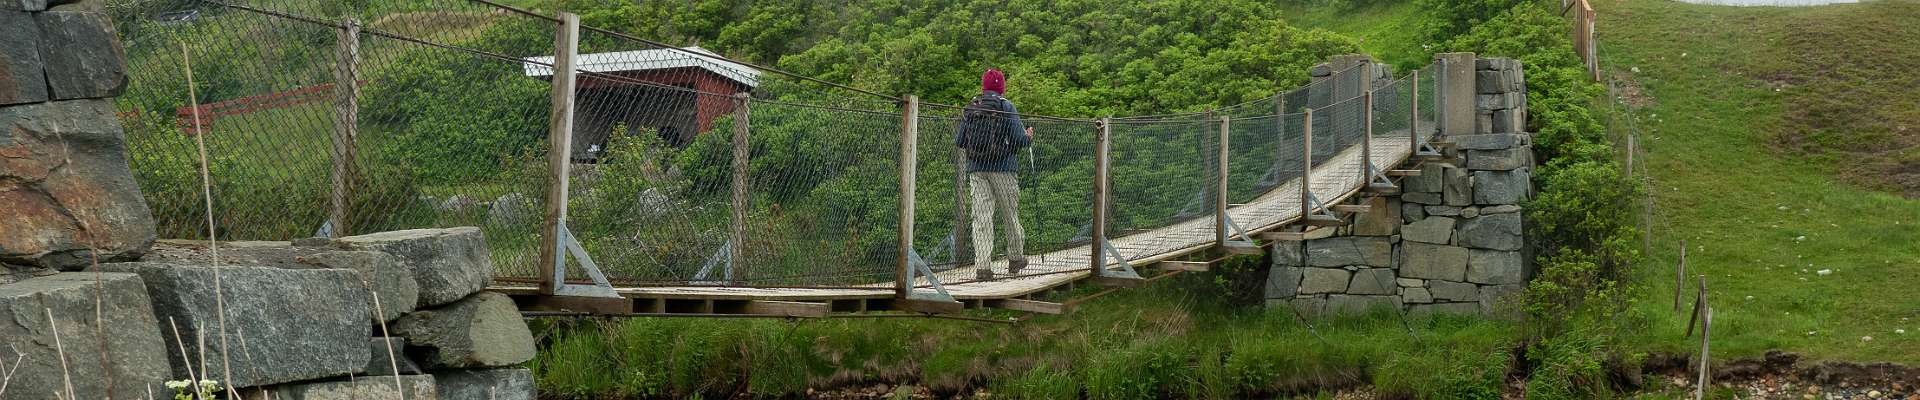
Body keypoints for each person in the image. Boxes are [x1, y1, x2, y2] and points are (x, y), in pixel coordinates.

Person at [955, 68, 1034, 280]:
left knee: (981, 218)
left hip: (977, 170)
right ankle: (1016, 257)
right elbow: (1019, 140)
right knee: (1010, 214)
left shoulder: (973, 107)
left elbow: (960, 141)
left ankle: (983, 267)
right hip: (1003, 168)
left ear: (984, 86)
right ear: (1001, 87)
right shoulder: (1005, 106)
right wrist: (1028, 136)